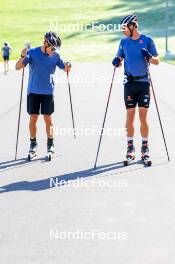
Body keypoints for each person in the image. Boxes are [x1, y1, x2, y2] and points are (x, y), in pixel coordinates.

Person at [15, 31, 71, 159]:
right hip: (33, 91)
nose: (54, 50)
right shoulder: (33, 52)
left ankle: (50, 144)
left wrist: (68, 66)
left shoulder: (56, 56)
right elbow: (18, 67)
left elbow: (64, 67)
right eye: (52, 47)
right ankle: (33, 144)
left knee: (48, 119)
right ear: (45, 43)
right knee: (33, 118)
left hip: (47, 92)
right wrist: (22, 56)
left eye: (55, 48)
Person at [112, 14, 159, 161]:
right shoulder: (123, 42)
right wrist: (116, 61)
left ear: (132, 27)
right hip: (129, 84)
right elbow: (119, 60)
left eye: (124, 28)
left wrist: (149, 56)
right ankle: (130, 147)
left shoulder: (147, 40)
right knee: (130, 116)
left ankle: (145, 148)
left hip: (144, 83)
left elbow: (157, 61)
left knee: (143, 117)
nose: (122, 30)